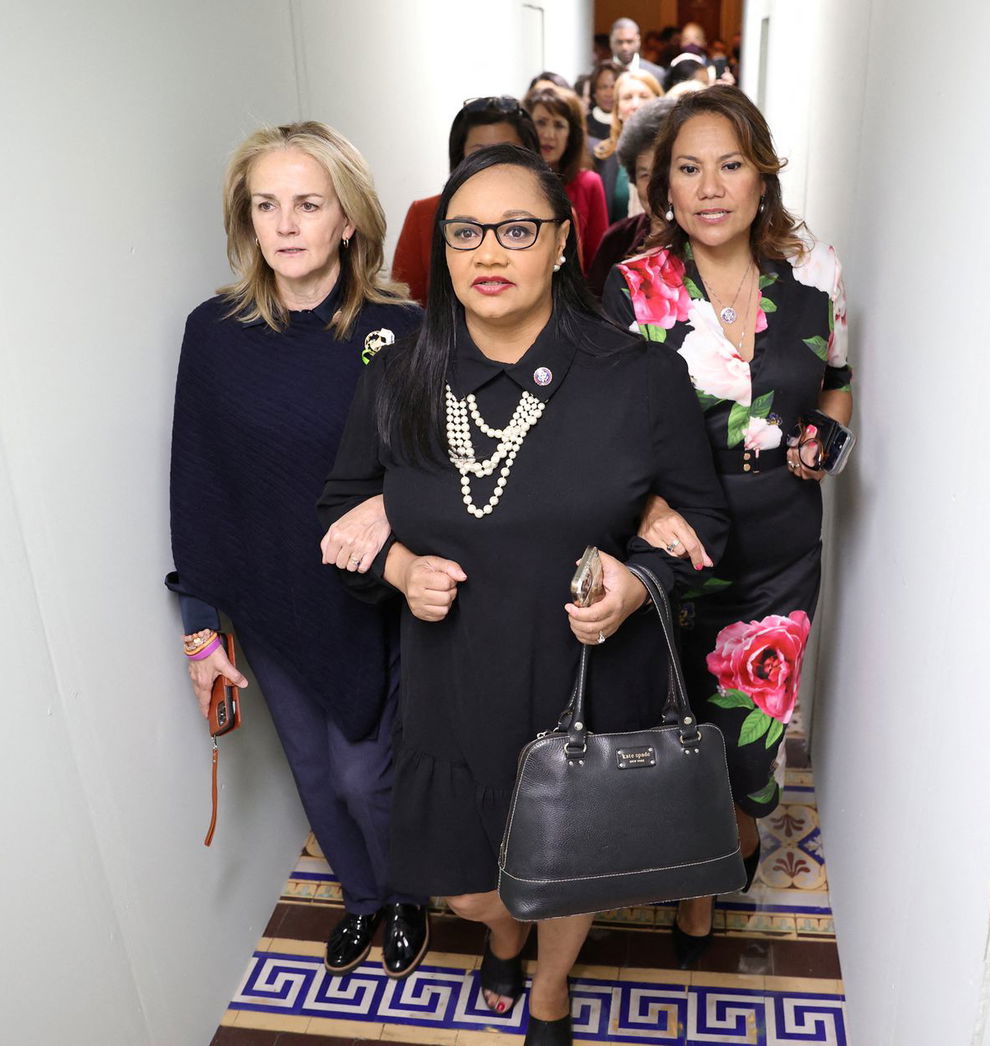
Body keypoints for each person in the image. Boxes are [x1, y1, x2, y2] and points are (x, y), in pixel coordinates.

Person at [317, 144, 726, 1045]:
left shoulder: (638, 377)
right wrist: (397, 569)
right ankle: (501, 931)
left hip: (584, 665)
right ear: (443, 250)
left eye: (516, 230)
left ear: (561, 242)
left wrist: (638, 579)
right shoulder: (400, 377)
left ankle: (548, 984)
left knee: (565, 860)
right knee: (468, 885)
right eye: (466, 233)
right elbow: (344, 508)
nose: (489, 253)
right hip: (453, 673)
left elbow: (703, 522)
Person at [166, 122, 430, 982]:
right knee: (314, 776)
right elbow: (196, 476)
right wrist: (200, 625)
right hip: (268, 592)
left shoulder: (401, 327)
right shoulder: (213, 333)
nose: (285, 225)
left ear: (347, 220)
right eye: (266, 204)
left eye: (308, 204)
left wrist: (389, 503)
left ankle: (408, 894)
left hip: (372, 596)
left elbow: (447, 462)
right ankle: (363, 902)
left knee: (366, 780)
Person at [601, 86, 853, 968]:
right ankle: (693, 873)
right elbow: (604, 425)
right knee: (677, 724)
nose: (711, 187)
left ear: (763, 174)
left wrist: (828, 434)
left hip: (781, 543)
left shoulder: (815, 272)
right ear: (663, 186)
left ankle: (733, 843)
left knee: (750, 737)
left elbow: (836, 383)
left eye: (731, 164)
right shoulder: (635, 288)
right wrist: (645, 510)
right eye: (688, 167)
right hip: (676, 545)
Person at [390, 97, 541, 305]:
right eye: (479, 152)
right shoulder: (425, 213)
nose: (491, 163)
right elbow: (407, 304)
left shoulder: (551, 215)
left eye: (505, 151)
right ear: (460, 156)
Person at [585, 95, 674, 295]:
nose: (656, 186)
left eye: (665, 173)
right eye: (645, 175)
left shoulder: (709, 240)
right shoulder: (617, 239)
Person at [526, 88, 608, 270]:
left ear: (571, 134)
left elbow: (597, 260)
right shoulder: (516, 183)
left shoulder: (589, 183)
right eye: (541, 122)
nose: (549, 134)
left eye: (559, 125)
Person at [593, 69, 663, 224]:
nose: (635, 105)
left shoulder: (675, 154)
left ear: (658, 102)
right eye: (627, 98)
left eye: (644, 96)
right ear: (617, 110)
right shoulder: (600, 156)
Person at [608, 16, 664, 81]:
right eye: (619, 42)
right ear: (611, 42)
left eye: (630, 42)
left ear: (638, 41)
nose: (624, 47)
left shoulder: (656, 74)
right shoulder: (600, 74)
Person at [584, 60, 619, 145]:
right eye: (603, 87)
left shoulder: (628, 123)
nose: (609, 94)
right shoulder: (583, 124)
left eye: (613, 87)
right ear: (594, 92)